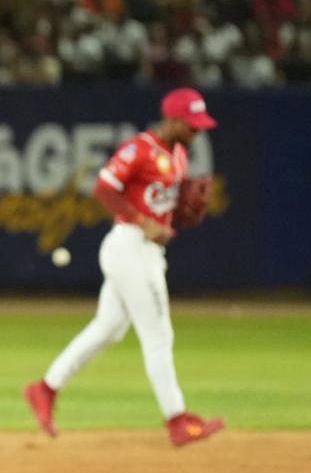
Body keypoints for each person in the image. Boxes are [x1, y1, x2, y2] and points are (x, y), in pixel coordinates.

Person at [24, 88, 225, 448]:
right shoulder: (139, 149)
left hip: (146, 252)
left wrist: (175, 212)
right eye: (192, 125)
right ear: (173, 120)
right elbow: (104, 188)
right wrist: (142, 220)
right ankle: (178, 420)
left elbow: (166, 203)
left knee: (109, 328)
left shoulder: (178, 154)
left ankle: (45, 388)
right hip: (129, 246)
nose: (197, 131)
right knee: (158, 336)